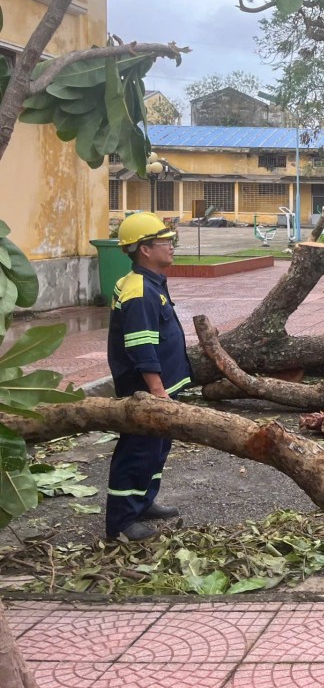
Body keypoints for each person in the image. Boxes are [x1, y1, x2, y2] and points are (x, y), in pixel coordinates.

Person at [105, 212, 192, 543]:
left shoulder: (149, 282)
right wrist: (157, 391)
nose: (171, 246)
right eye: (164, 242)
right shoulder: (139, 290)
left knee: (156, 449)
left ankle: (142, 500)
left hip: (160, 389)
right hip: (146, 391)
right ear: (144, 249)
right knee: (138, 450)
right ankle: (121, 522)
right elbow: (141, 346)